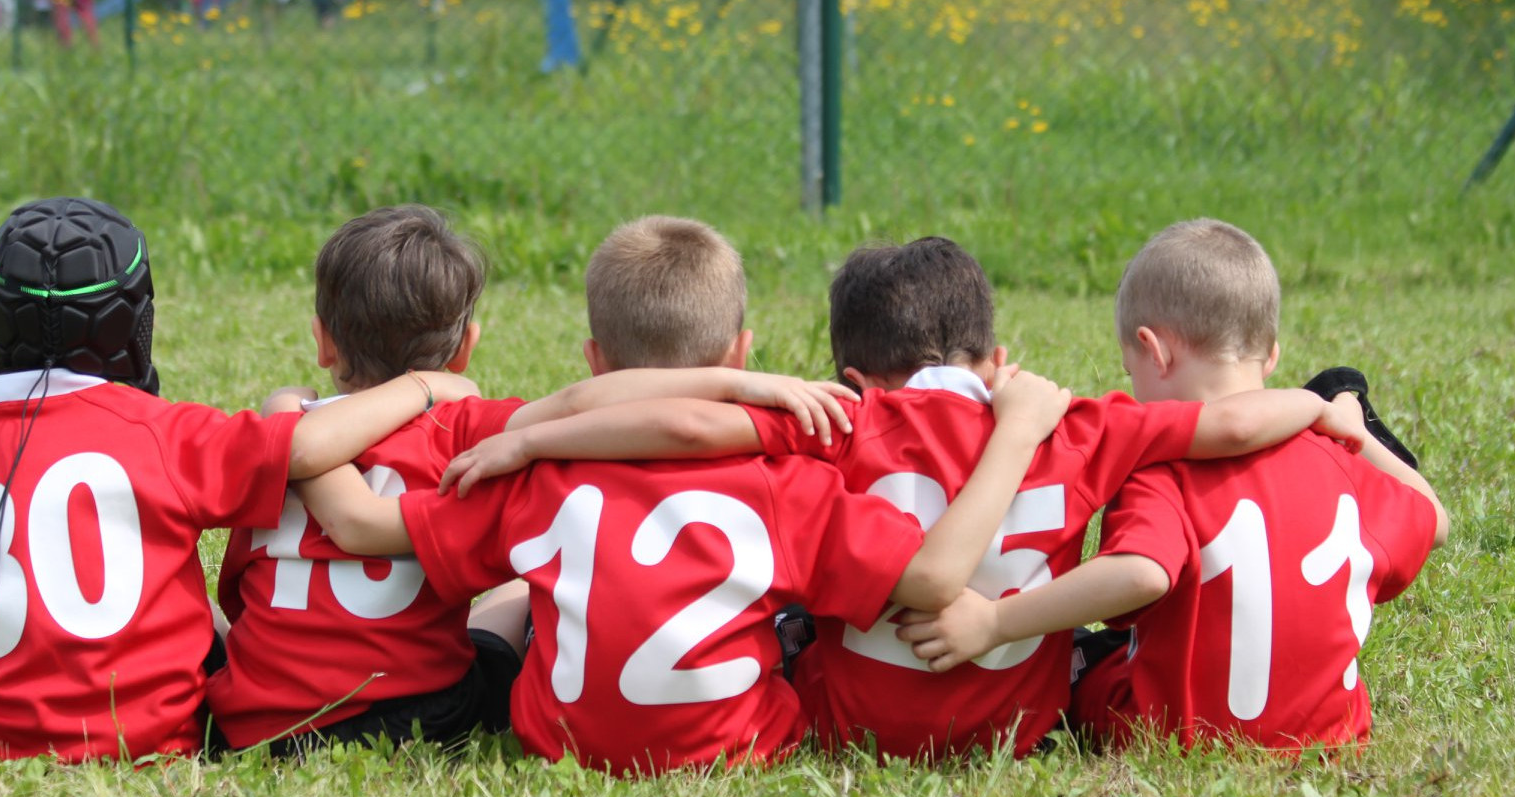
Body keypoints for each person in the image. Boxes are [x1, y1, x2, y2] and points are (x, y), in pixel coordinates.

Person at [434, 235, 1370, 761]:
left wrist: (534, 436)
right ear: (998, 362)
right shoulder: (1081, 423)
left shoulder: (838, 424)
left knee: (776, 600)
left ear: (853, 374)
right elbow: (1238, 426)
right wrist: (1333, 403)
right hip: (1020, 727)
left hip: (852, 727)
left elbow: (680, 424)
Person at [295, 216, 1076, 775]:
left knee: (526, 584)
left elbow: (370, 528)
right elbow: (926, 579)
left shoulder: (530, 475)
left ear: (597, 362)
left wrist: (293, 426)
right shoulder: (792, 484)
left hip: (555, 743)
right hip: (738, 748)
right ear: (742, 349)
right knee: (795, 611)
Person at [0, 197, 479, 763]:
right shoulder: (166, 431)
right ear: (135, 319)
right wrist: (425, 385)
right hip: (155, 730)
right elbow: (305, 447)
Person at [209, 207, 859, 756]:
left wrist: (280, 412)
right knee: (521, 589)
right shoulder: (466, 428)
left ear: (323, 342)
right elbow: (586, 401)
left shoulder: (263, 436)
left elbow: (236, 592)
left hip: (256, 722)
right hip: (423, 718)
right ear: (467, 349)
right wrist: (737, 386)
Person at [899, 219, 1446, 753]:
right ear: (1272, 354)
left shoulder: (1163, 469)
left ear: (1153, 350)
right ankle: (1348, 393)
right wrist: (1350, 429)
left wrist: (995, 621)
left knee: (1067, 658)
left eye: (1129, 370)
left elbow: (1140, 575)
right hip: (1329, 735)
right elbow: (1435, 520)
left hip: (1170, 734)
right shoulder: (1340, 463)